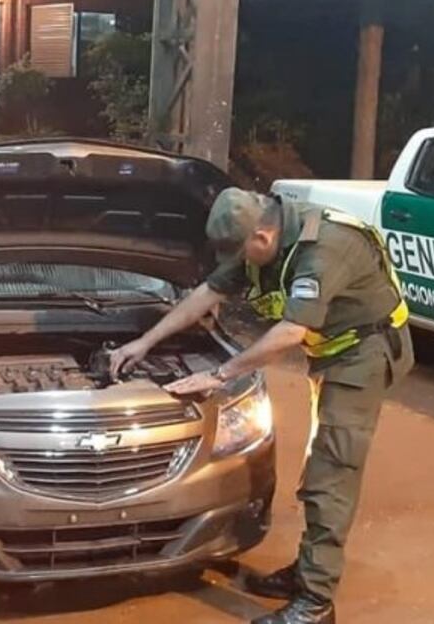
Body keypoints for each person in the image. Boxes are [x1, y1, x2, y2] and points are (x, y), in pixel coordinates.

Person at [110, 188, 414, 624]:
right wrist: (145, 342)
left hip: (361, 355)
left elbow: (291, 331)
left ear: (264, 235)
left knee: (331, 475)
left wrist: (219, 374)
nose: (239, 263)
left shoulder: (323, 249)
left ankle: (315, 603)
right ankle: (309, 572)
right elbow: (207, 293)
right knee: (318, 465)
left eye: (242, 253)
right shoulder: (259, 234)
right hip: (329, 347)